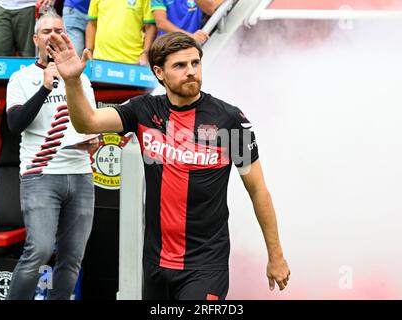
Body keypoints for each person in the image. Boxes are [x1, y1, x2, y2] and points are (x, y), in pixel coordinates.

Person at [47, 31, 290, 299]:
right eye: (180, 65)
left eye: (195, 63)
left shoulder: (230, 120)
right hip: (156, 264)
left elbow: (258, 191)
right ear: (159, 73)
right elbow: (87, 122)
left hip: (206, 266)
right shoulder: (143, 110)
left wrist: (276, 256)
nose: (191, 72)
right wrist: (71, 81)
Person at [5, 11, 97, 300]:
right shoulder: (21, 78)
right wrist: (45, 86)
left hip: (81, 173)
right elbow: (15, 124)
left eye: (59, 29)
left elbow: (90, 121)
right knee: (40, 250)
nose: (53, 35)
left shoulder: (80, 77)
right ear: (35, 39)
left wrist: (93, 140)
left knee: (72, 259)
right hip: (40, 175)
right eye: (46, 31)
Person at [85, 0, 156, 65]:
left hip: (132, 60)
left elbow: (150, 27)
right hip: (100, 60)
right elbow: (92, 24)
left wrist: (145, 53)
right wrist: (89, 51)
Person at [151, 0, 224, 44]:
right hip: (170, 44)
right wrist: (190, 36)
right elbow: (161, 23)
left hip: (195, 43)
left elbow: (211, 9)